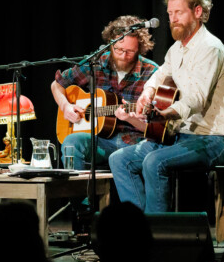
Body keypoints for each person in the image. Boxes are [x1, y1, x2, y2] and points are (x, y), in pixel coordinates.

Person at [109, 0, 224, 213]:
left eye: (179, 12)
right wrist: (146, 95)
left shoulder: (210, 48)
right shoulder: (176, 50)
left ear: (197, 12)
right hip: (180, 136)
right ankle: (140, 228)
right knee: (119, 160)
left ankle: (157, 237)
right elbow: (157, 78)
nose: (173, 19)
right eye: (170, 14)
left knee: (154, 162)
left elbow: (195, 100)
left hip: (212, 138)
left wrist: (164, 114)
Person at [51, 15, 159, 172]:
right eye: (119, 49)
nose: (123, 56)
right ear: (111, 44)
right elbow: (57, 84)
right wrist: (66, 106)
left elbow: (157, 128)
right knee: (71, 142)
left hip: (134, 143)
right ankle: (80, 196)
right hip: (100, 141)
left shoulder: (152, 72)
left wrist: (135, 117)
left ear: (140, 49)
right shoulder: (97, 62)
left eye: (130, 51)